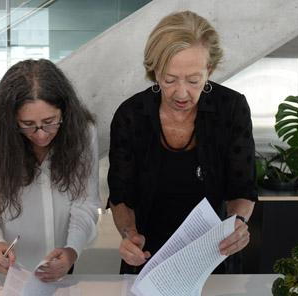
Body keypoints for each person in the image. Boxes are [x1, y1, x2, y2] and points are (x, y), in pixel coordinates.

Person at [107, 11, 258, 274]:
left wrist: (238, 223)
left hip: (214, 257)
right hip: (147, 257)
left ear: (209, 70)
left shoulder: (230, 108)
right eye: (169, 79)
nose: (181, 92)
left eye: (193, 80)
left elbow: (242, 188)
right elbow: (121, 197)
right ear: (154, 71)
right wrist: (128, 234)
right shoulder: (131, 115)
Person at [0, 59, 100, 282]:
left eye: (50, 121)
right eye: (27, 124)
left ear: (65, 112)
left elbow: (85, 203)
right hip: (2, 270)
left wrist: (71, 251)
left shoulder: (83, 133)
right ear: (10, 121)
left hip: (59, 264)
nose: (40, 134)